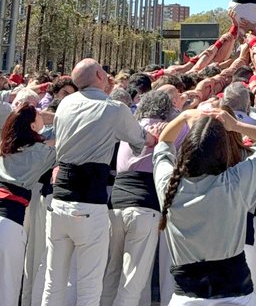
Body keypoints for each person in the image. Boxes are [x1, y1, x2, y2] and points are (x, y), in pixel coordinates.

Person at [41, 58, 151, 306]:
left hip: (59, 201)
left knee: (53, 282)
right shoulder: (114, 109)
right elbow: (140, 141)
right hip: (89, 204)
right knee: (89, 288)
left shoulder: (66, 104)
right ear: (101, 76)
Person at [153, 105, 256, 305]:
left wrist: (185, 116)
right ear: (223, 152)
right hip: (236, 295)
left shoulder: (168, 185)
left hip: (187, 297)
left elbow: (164, 142)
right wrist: (236, 125)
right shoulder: (236, 182)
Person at [101, 89, 176, 306]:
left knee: (111, 275)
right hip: (144, 207)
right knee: (132, 282)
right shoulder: (168, 130)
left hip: (116, 204)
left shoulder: (131, 129)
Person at [0, 104, 56, 306]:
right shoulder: (41, 153)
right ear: (32, 125)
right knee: (8, 289)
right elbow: (65, 143)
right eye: (38, 115)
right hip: (9, 223)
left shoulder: (4, 147)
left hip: (6, 215)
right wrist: (58, 117)